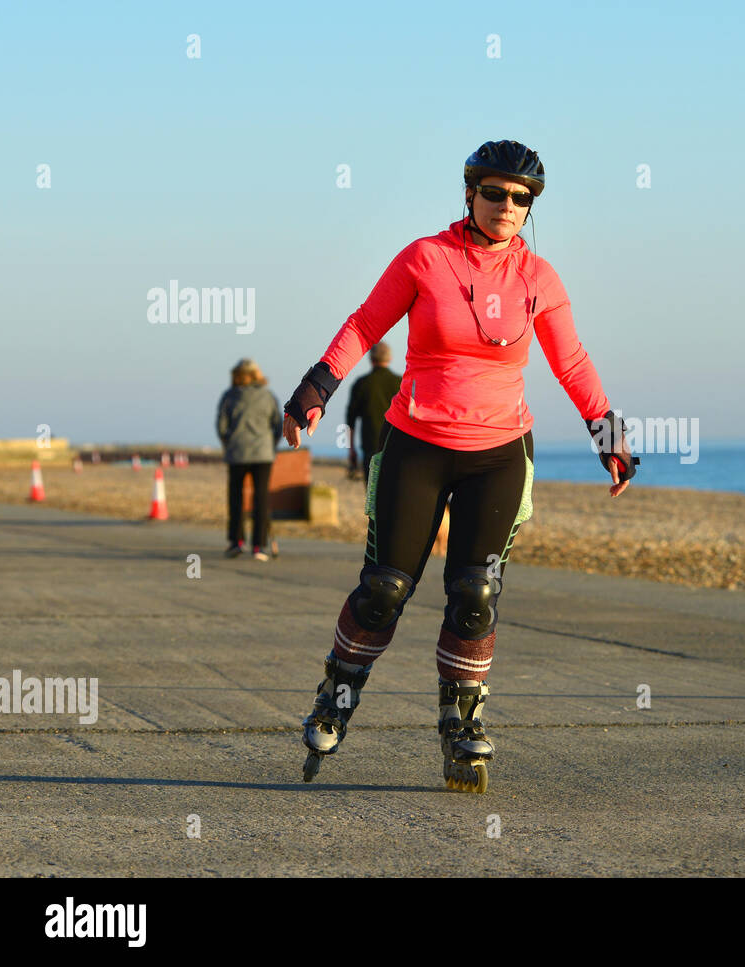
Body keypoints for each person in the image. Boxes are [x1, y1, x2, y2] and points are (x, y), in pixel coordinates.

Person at [283, 139, 639, 791]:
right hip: (415, 443)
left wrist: (607, 430)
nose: (508, 206)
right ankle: (338, 688)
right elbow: (365, 324)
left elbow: (572, 361)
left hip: (499, 453)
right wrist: (317, 385)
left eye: (522, 198)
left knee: (475, 595)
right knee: (383, 590)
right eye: (496, 192)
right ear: (470, 192)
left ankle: (462, 722)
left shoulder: (540, 279)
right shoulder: (427, 258)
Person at [216, 358, 283, 561]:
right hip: (263, 453)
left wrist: (228, 443)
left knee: (235, 497)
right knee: (261, 498)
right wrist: (270, 445)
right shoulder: (268, 396)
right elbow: (277, 425)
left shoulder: (229, 396)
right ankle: (259, 546)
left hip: (237, 452)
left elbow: (221, 426)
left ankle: (236, 542)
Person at [345, 341, 401, 483]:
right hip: (396, 447)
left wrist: (350, 449)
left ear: (371, 358)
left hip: (371, 447)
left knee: (372, 498)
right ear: (389, 358)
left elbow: (349, 421)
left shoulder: (362, 384)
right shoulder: (400, 383)